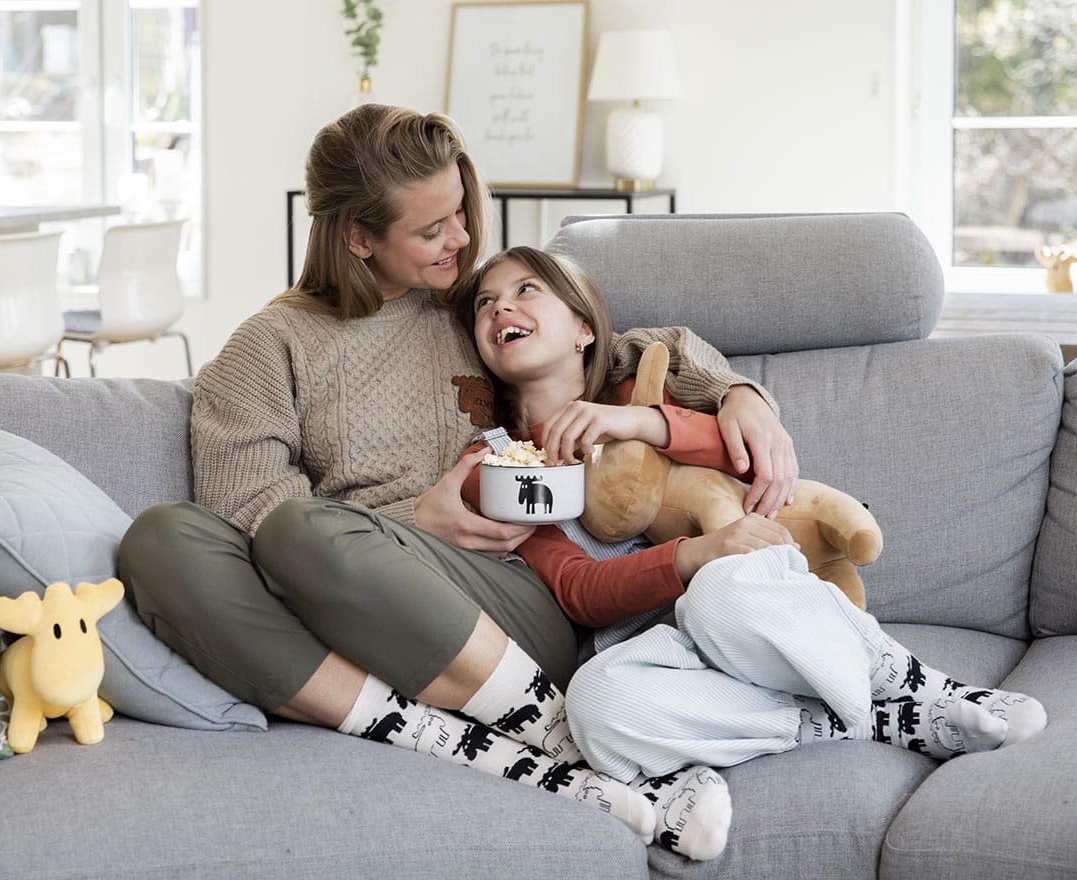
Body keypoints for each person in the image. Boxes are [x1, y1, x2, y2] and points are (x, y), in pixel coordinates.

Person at [116, 104, 794, 857]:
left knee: (303, 527)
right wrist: (415, 520)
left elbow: (625, 348)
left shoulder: (469, 311)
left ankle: (557, 736)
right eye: (432, 229)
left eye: (463, 211)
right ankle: (514, 751)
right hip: (342, 591)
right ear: (358, 237)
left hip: (508, 599)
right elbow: (244, 517)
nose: (464, 240)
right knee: (158, 540)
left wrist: (739, 394)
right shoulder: (269, 347)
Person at [457, 245, 1050, 859]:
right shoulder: (500, 461)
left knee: (721, 586)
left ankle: (911, 681)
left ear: (583, 328)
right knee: (594, 704)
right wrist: (692, 553)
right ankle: (857, 721)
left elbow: (739, 454)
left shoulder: (639, 391)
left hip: (744, 610)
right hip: (655, 650)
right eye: (484, 302)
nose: (502, 305)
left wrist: (643, 424)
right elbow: (580, 590)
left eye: (526, 290)